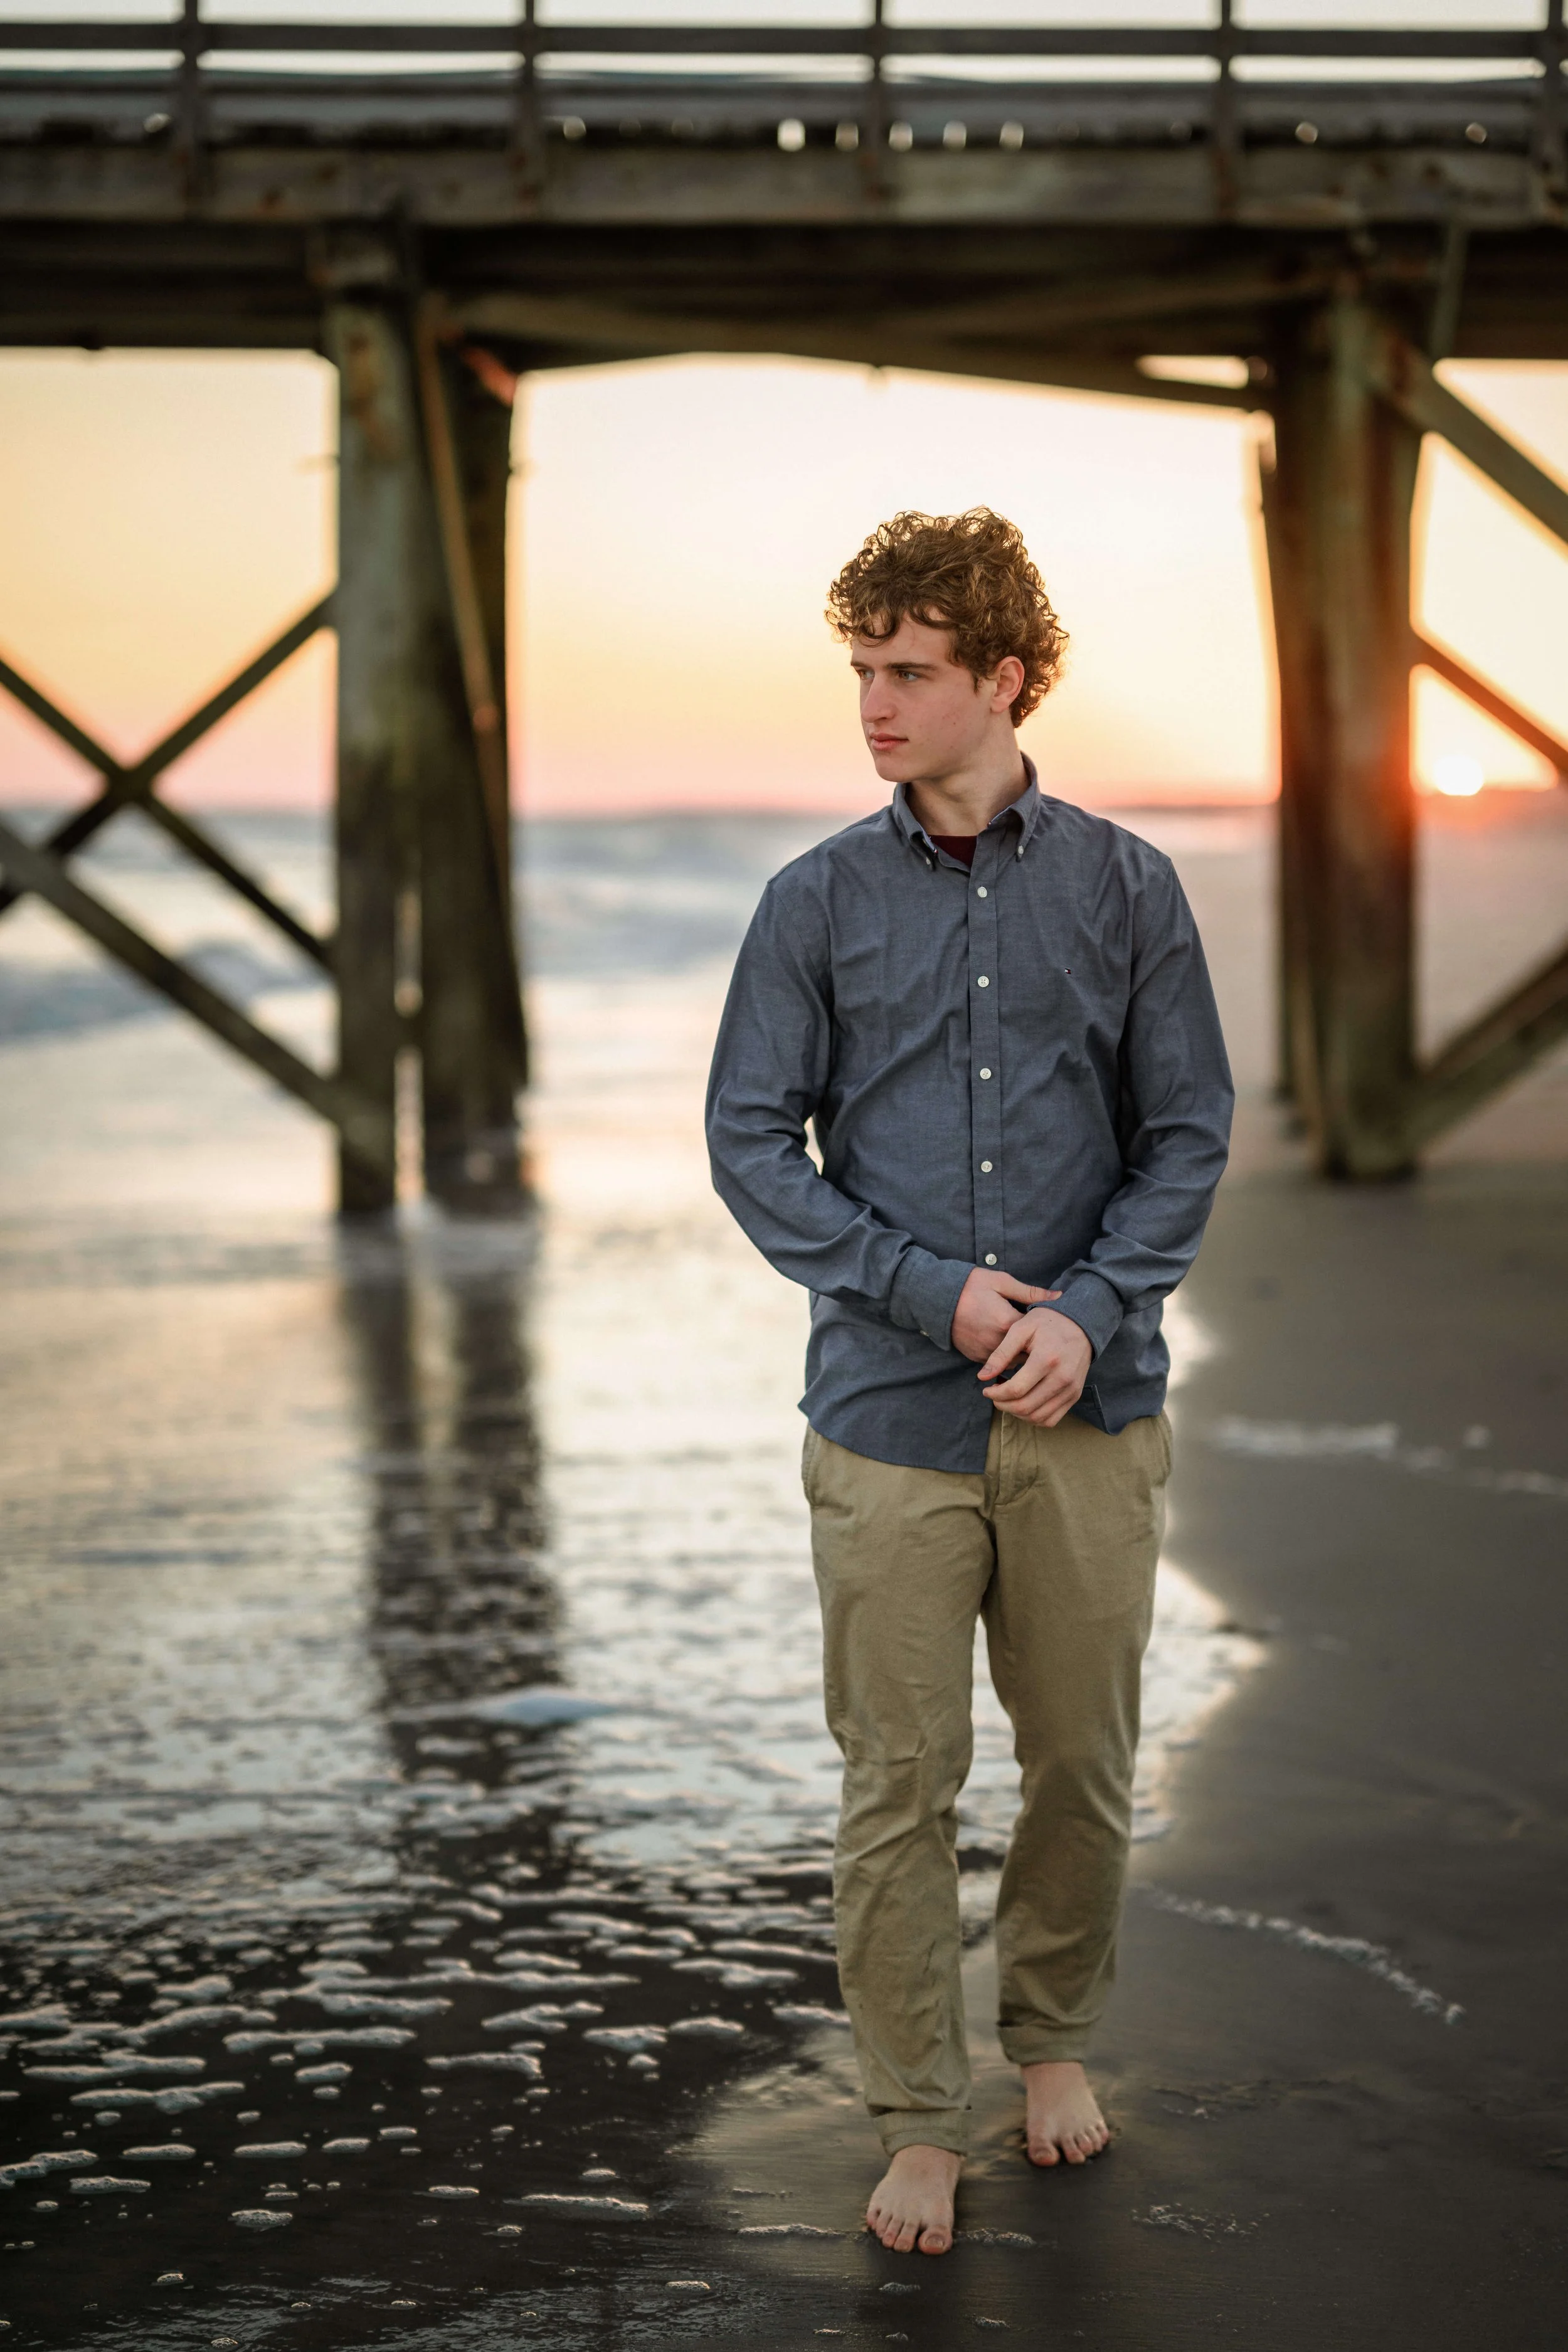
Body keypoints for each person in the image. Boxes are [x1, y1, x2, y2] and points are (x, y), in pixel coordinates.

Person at [705, 509, 1232, 2257]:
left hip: (1089, 1407)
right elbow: (749, 1148)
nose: (873, 703)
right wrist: (934, 1296)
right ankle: (918, 2114)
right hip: (886, 1416)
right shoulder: (812, 900)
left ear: (1003, 677)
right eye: (861, 669)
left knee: (1079, 1759)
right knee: (898, 1779)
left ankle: (1053, 2041)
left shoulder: (1126, 887)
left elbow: (1184, 1133)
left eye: (909, 672)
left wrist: (1083, 1309)